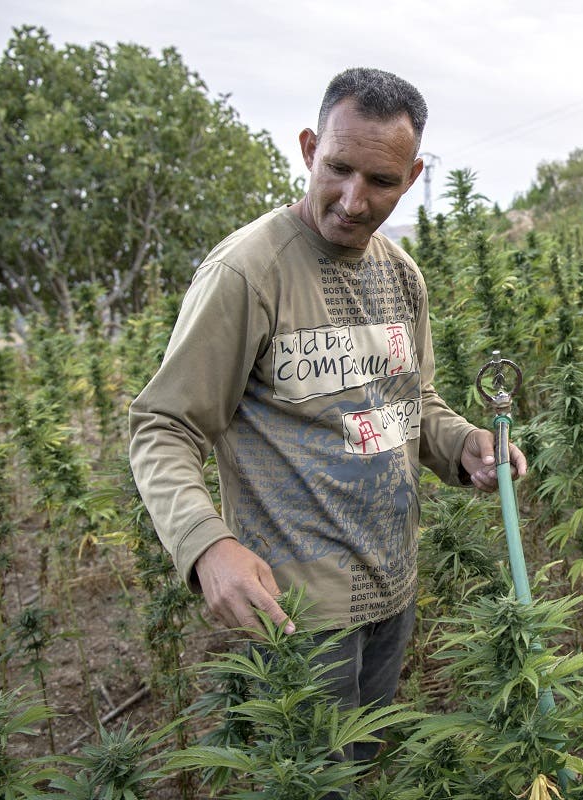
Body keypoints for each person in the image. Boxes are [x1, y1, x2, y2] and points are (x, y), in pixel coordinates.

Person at [128, 67, 526, 746]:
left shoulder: (401, 273)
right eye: (339, 168)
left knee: (363, 762)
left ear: (412, 175)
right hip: (298, 608)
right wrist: (207, 545)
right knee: (310, 779)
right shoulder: (248, 273)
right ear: (310, 147)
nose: (353, 199)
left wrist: (462, 444)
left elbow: (414, 399)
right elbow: (163, 425)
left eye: (382, 181)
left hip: (393, 583)